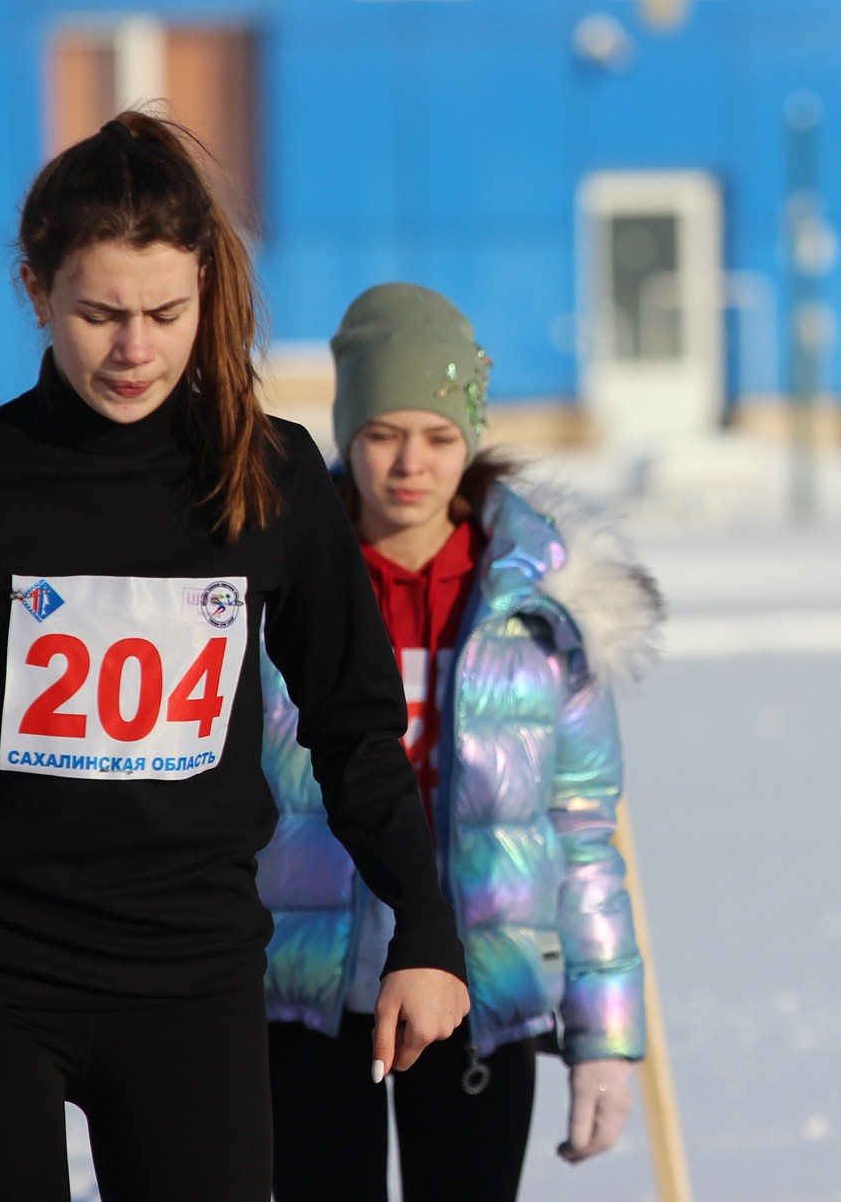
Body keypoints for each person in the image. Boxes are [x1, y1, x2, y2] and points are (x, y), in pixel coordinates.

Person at [0, 114, 469, 1201]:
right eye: (98, 313)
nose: (134, 350)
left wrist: (428, 934)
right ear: (36, 291)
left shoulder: (270, 479)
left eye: (165, 313)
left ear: (206, 289)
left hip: (192, 981)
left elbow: (356, 732)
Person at [259, 283, 661, 1202]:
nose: (411, 464)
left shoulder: (541, 606)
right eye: (382, 434)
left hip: (483, 992)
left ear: (470, 438)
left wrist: (604, 1038)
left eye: (439, 437)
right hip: (306, 993)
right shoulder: (274, 579)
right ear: (346, 433)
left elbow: (586, 834)